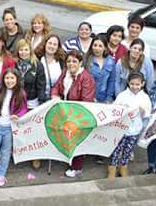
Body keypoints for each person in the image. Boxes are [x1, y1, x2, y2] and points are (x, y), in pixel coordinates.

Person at [51, 50, 95, 178]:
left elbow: (86, 100)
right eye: (69, 61)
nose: (71, 64)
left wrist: (70, 112)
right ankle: (69, 159)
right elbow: (57, 86)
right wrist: (54, 95)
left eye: (74, 61)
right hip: (65, 111)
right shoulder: (65, 73)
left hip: (78, 114)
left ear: (80, 62)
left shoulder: (86, 78)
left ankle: (77, 167)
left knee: (77, 140)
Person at [108, 72, 151, 179]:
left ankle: (123, 168)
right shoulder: (122, 95)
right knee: (116, 150)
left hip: (135, 129)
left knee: (128, 150)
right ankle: (112, 168)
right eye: (132, 84)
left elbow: (148, 113)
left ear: (142, 84)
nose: (135, 86)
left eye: (137, 84)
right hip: (121, 129)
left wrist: (143, 111)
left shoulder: (145, 97)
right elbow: (115, 109)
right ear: (128, 83)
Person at [32, 34, 65, 170]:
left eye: (54, 44)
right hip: (40, 97)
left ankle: (50, 152)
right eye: (49, 43)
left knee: (53, 126)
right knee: (38, 127)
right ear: (45, 44)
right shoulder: (37, 59)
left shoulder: (61, 61)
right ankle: (36, 155)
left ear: (58, 47)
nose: (51, 46)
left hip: (56, 98)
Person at [14, 38, 46, 109]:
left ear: (30, 51)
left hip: (32, 102)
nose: (23, 52)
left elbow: (41, 86)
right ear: (18, 51)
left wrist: (41, 101)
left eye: (26, 50)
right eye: (21, 50)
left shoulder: (37, 65)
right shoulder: (14, 64)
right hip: (16, 101)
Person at [84, 35, 116, 103]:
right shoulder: (86, 59)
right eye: (95, 45)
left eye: (100, 46)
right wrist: (90, 97)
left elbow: (111, 81)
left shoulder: (111, 61)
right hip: (88, 98)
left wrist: (109, 98)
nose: (97, 48)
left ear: (105, 48)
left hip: (104, 99)